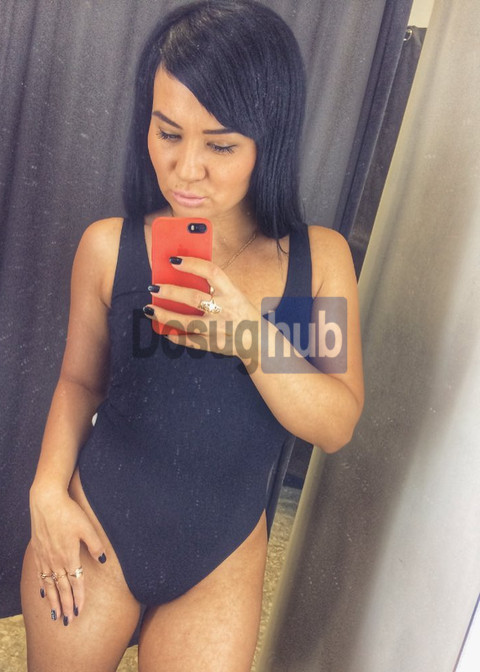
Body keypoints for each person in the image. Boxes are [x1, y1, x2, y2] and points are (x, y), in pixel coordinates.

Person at [20, 1, 364, 670]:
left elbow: (336, 423)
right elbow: (79, 382)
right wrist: (46, 493)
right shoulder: (109, 248)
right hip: (96, 530)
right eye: (168, 133)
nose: (186, 168)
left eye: (221, 145)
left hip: (220, 562)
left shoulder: (317, 262)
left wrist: (247, 335)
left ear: (269, 138)